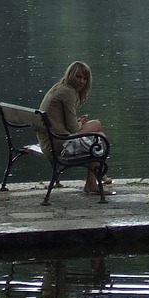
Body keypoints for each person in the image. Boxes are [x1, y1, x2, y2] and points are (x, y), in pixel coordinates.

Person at [39, 60, 113, 196]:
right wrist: (80, 124)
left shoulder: (59, 87)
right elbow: (73, 128)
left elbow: (66, 123)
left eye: (85, 78)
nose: (82, 81)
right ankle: (95, 180)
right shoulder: (68, 92)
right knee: (97, 128)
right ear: (70, 75)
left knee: (98, 135)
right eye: (78, 77)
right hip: (59, 144)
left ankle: (98, 178)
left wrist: (78, 122)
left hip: (49, 141)